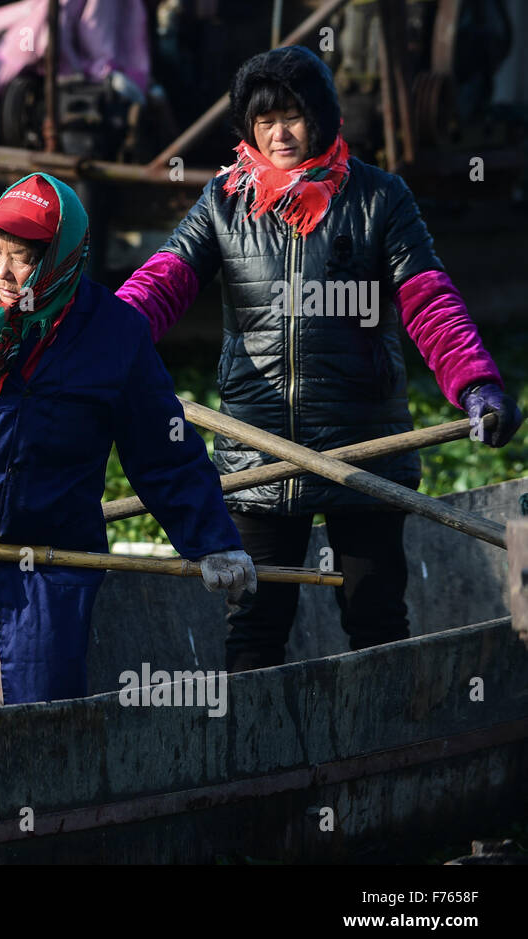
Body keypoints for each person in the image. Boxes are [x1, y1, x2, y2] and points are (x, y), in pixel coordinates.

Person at [115, 45, 523, 672]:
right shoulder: (223, 201)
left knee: (376, 617)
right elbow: (161, 282)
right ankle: (253, 766)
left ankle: (386, 756)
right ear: (247, 128)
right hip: (257, 454)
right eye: (263, 120)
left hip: (365, 450)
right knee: (254, 628)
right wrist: (99, 343)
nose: (279, 134)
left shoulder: (380, 198)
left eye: (294, 116)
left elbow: (428, 299)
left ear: (325, 118)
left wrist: (475, 382)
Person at [0, 172, 256, 714]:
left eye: (24, 258)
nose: (4, 272)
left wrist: (213, 540)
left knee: (35, 722)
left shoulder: (113, 333)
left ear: (64, 256)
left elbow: (163, 448)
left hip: (49, 561)